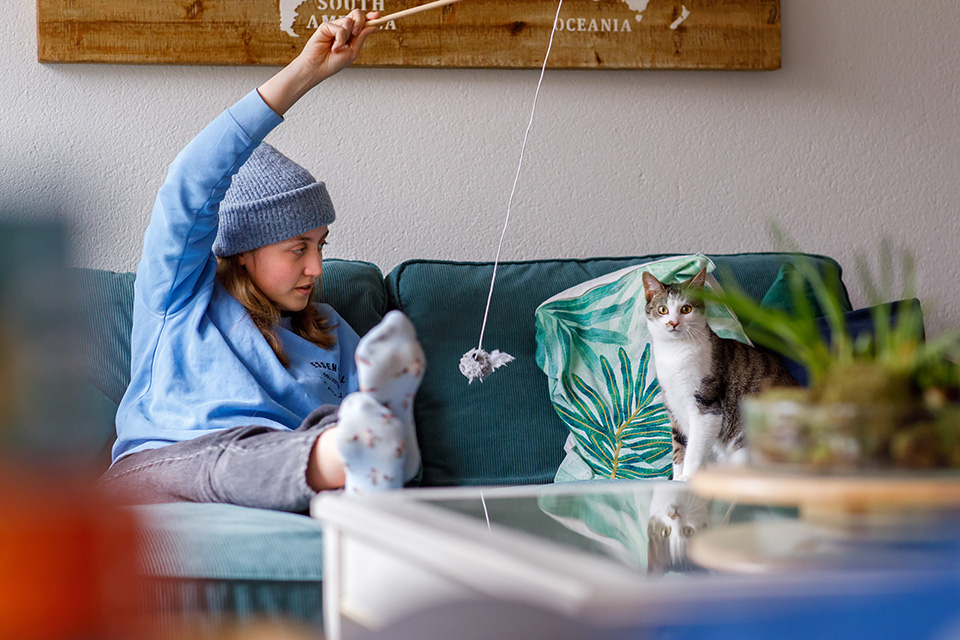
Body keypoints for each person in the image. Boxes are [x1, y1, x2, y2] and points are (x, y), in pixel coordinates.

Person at [99, 9, 424, 510]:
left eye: (321, 246)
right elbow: (190, 183)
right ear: (243, 253)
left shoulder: (331, 331)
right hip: (172, 464)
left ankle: (358, 451)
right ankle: (345, 455)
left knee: (336, 430)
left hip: (295, 467)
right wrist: (304, 73)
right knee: (227, 460)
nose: (316, 268)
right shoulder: (178, 300)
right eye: (298, 248)